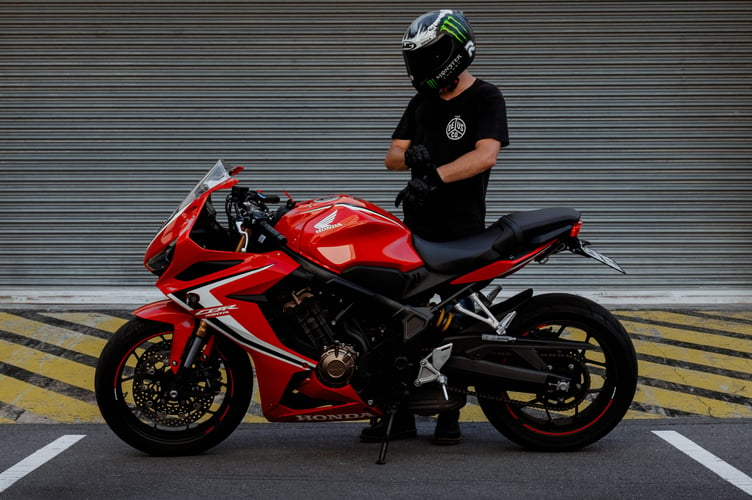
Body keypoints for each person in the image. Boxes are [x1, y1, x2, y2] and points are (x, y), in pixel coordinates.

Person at [360, 9, 510, 445]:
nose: (420, 66)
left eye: (428, 56)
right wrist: (414, 159)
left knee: (456, 323)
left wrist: (435, 175)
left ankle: (449, 417)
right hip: (416, 233)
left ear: (451, 51)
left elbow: (486, 155)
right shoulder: (422, 102)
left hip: (463, 232)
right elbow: (391, 155)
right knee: (403, 321)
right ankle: (400, 416)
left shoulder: (486, 97)